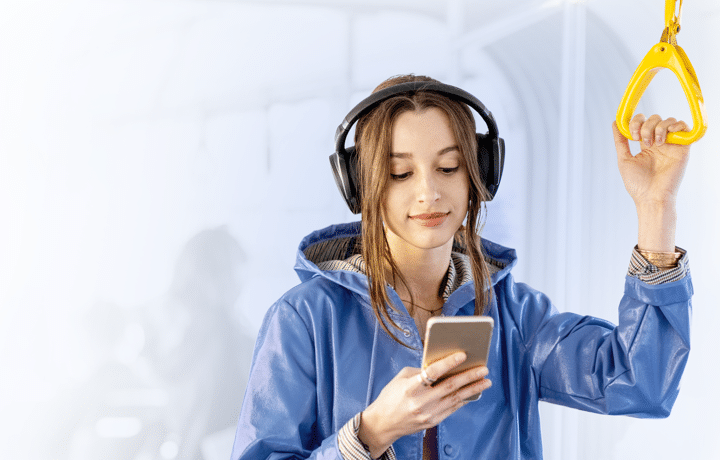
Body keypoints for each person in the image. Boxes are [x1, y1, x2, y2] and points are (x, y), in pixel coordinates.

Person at [230, 75, 692, 460]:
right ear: (362, 185)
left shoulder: (514, 315)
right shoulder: (304, 320)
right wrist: (369, 433)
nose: (429, 192)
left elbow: (641, 383)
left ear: (479, 174)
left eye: (449, 167)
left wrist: (657, 207)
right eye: (400, 174)